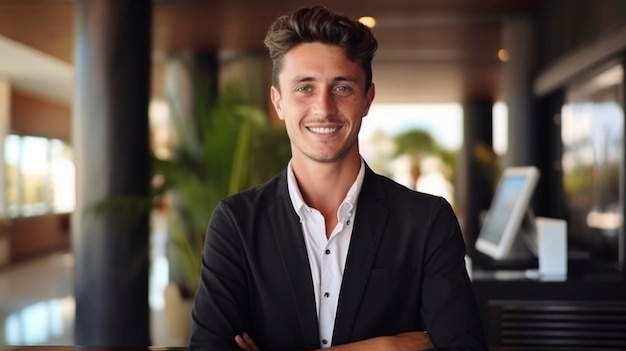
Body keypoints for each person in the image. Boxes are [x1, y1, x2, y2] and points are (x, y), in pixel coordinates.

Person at [190, 5, 488, 351]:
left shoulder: (427, 221)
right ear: (278, 102)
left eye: (342, 87)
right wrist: (387, 346)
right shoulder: (237, 222)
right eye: (304, 88)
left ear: (367, 98)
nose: (324, 108)